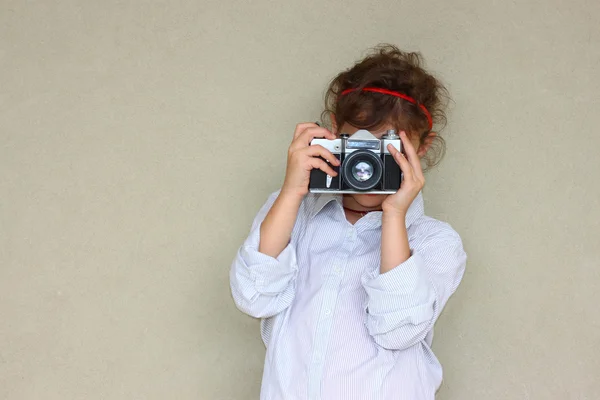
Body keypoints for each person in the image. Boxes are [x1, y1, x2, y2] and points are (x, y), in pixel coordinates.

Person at [230, 44, 467, 400]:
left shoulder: (435, 241)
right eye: (358, 145)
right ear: (334, 134)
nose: (366, 166)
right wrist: (293, 191)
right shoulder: (294, 213)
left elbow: (398, 331)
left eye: (387, 149)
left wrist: (395, 215)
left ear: (421, 148)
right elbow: (254, 296)